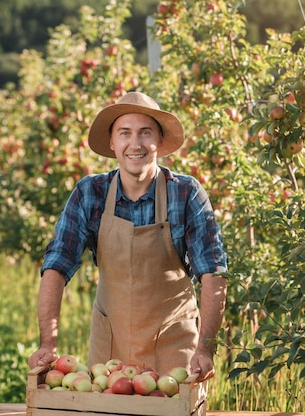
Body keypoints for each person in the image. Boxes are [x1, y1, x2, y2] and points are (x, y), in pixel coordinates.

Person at [27, 91, 228, 382]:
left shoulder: (185, 193)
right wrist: (48, 343)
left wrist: (205, 348)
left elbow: (213, 272)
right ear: (112, 142)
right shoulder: (90, 193)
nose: (135, 144)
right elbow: (57, 264)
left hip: (174, 346)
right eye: (125, 133)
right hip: (109, 348)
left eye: (145, 133)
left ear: (159, 140)